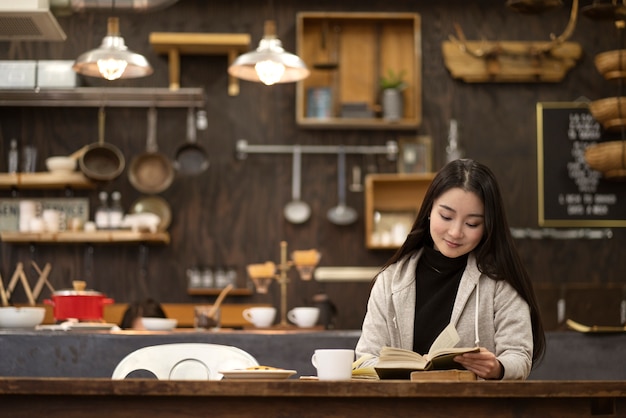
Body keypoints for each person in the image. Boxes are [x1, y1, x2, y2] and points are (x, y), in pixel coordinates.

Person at [355, 159, 545, 380]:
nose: (455, 232)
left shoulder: (499, 282)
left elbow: (519, 357)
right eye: (446, 216)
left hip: (476, 411)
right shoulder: (390, 281)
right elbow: (365, 358)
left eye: (472, 223)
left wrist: (497, 367)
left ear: (488, 226)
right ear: (429, 211)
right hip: (403, 411)